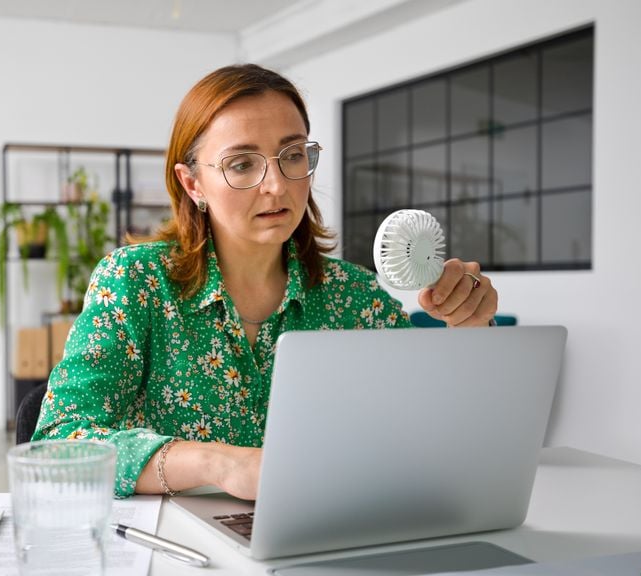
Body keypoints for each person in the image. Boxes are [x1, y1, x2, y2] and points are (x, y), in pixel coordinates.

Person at [32, 64, 499, 500]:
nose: (276, 184)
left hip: (327, 527)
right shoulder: (136, 282)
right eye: (242, 165)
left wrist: (472, 334)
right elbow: (58, 444)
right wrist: (219, 463)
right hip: (180, 546)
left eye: (292, 155)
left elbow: (436, 432)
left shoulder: (355, 299)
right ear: (193, 183)